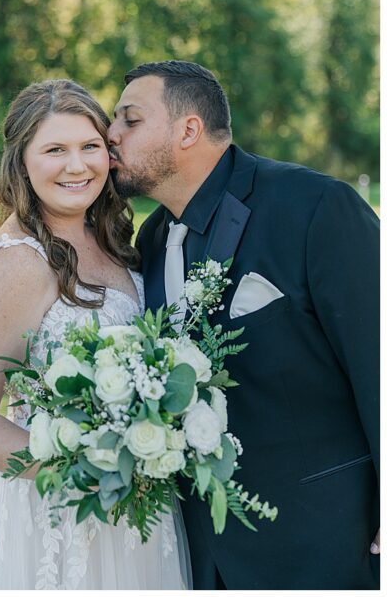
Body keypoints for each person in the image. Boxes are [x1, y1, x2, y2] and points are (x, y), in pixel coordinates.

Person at [108, 59, 379, 589]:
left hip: (324, 539)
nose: (109, 135)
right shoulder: (153, 238)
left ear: (188, 130)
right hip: (202, 552)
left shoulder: (316, 207)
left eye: (129, 120)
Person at [0, 79, 188, 589]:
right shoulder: (18, 263)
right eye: (55, 149)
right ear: (22, 162)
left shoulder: (115, 239)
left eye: (90, 147)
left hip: (138, 507)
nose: (77, 166)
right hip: (59, 515)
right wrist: (87, 470)